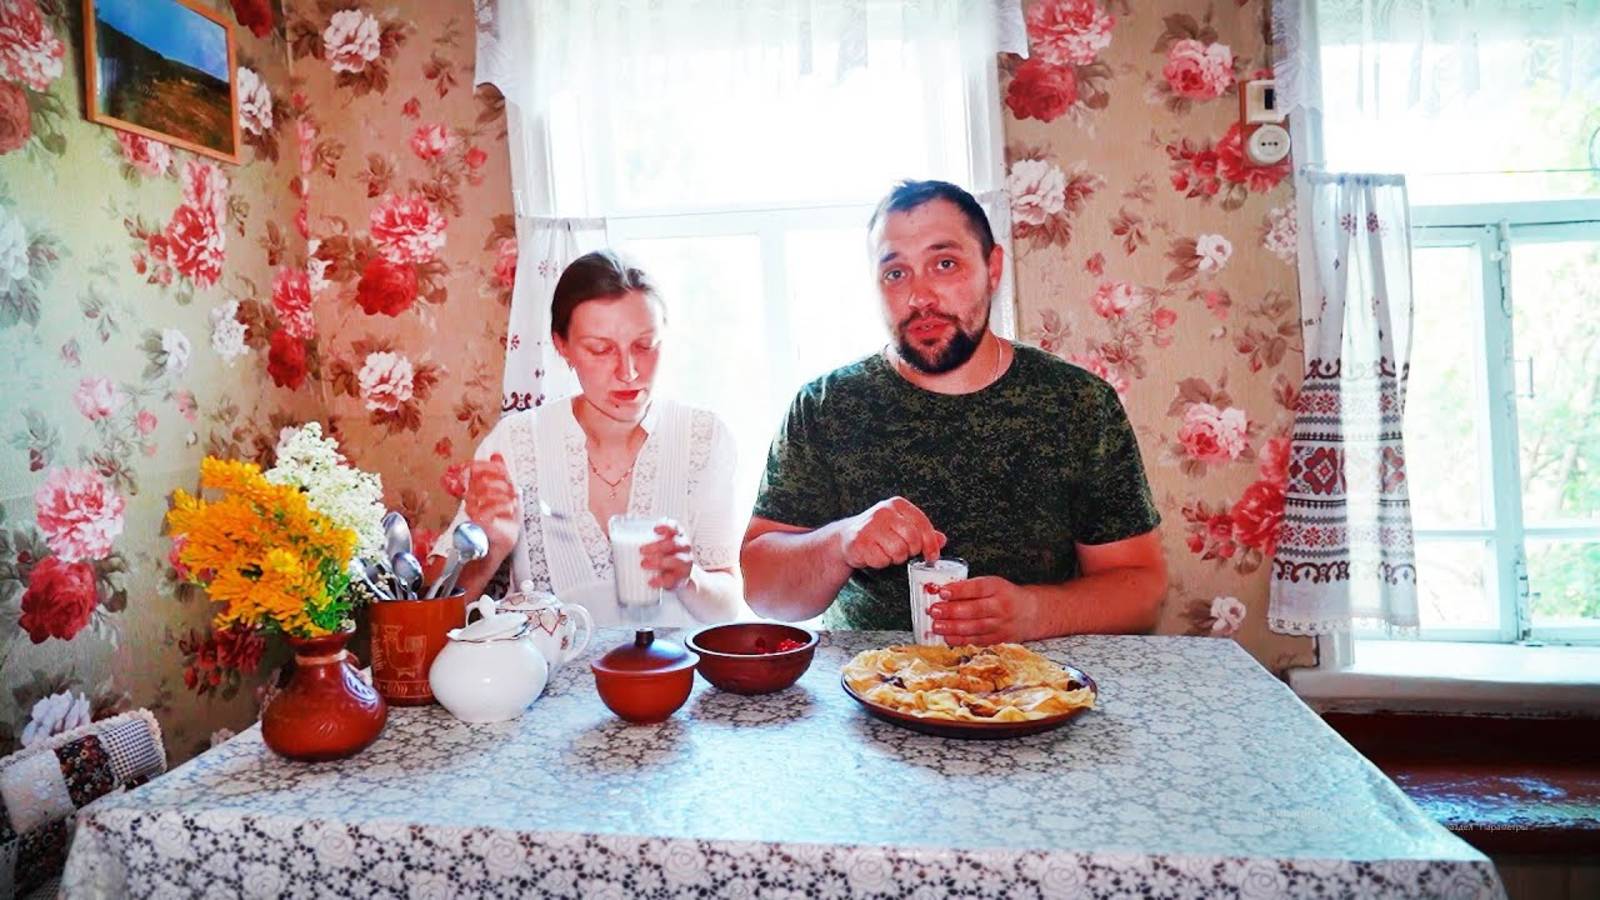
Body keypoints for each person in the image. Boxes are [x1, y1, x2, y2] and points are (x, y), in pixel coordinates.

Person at [741, 180, 1167, 644]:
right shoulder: (824, 406)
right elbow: (763, 593)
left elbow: (1142, 590)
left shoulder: (1077, 403)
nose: (920, 297)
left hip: (1034, 682)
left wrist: (1033, 612)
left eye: (944, 264)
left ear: (993, 268)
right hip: (868, 682)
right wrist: (842, 541)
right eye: (895, 273)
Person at [439, 250, 744, 627]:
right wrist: (492, 549)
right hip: (549, 667)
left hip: (678, 665)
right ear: (562, 346)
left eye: (645, 345)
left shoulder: (703, 437)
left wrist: (689, 577)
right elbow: (428, 615)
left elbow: (728, 605)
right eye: (601, 349)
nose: (628, 372)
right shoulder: (514, 444)